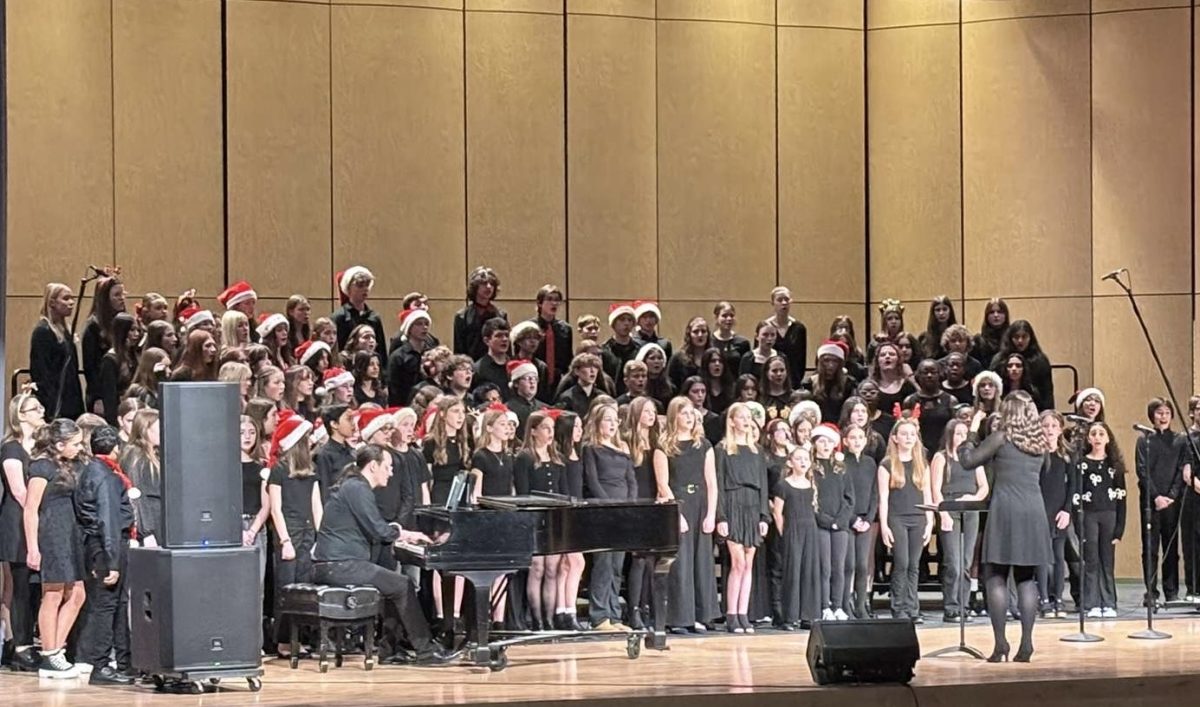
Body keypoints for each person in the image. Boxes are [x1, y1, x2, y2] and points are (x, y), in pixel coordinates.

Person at [311, 444, 457, 665]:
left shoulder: (355, 487)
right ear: (372, 466)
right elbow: (379, 530)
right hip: (339, 565)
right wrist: (405, 534)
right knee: (403, 584)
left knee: (394, 586)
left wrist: (404, 533)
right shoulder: (358, 488)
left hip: (341, 563)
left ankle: (389, 649)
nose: (391, 472)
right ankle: (426, 651)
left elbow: (377, 528)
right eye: (387, 467)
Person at [957, 391, 1052, 662]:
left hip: (1006, 509)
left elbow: (968, 461)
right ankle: (1026, 644)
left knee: (995, 576)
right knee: (1025, 577)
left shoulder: (1001, 438)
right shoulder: (1040, 443)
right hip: (1033, 511)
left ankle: (1000, 646)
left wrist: (973, 432)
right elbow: (1043, 474)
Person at [24, 419, 88, 678]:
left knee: (77, 594)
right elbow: (30, 509)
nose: (79, 447)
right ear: (59, 444)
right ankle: (49, 656)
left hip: (69, 533)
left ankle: (55, 650)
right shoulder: (41, 466)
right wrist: (32, 548)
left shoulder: (68, 464)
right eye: (75, 443)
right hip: (51, 534)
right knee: (53, 593)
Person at [73, 425, 136, 685]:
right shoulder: (106, 477)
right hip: (106, 547)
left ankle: (124, 662)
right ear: (115, 449)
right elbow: (107, 519)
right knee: (106, 605)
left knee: (117, 604)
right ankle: (100, 665)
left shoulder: (92, 470)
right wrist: (111, 562)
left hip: (100, 544)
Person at [653, 398, 718, 634]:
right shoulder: (664, 447)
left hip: (701, 504)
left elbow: (711, 483)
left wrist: (711, 514)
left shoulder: (705, 445)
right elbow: (663, 484)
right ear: (674, 417)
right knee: (681, 563)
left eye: (692, 413)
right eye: (684, 414)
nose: (689, 418)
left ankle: (702, 615)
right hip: (678, 506)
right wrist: (675, 513)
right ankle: (680, 618)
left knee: (702, 562)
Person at [267, 411, 323, 657]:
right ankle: (283, 641)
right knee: (286, 589)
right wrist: (285, 540)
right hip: (288, 533)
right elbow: (276, 509)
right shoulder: (278, 470)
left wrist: (320, 539)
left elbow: (316, 506)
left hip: (307, 532)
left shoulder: (311, 471)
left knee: (304, 588)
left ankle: (298, 639)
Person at [0, 390, 45, 671]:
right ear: (21, 415)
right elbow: (18, 490)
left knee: (34, 586)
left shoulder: (39, 447)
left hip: (37, 519)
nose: (41, 411)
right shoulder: (11, 448)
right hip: (18, 521)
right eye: (35, 408)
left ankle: (26, 641)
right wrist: (38, 509)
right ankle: (20, 645)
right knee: (19, 588)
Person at [582, 402, 636, 631]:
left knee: (617, 565)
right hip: (603, 510)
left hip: (624, 511)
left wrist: (631, 506)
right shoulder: (591, 448)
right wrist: (609, 505)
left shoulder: (623, 447)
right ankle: (599, 615)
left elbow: (630, 480)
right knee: (603, 563)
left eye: (615, 420)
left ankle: (614, 615)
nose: (613, 424)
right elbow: (593, 482)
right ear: (597, 422)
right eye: (608, 420)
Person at [716, 402, 770, 633]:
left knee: (748, 563)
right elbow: (717, 483)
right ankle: (731, 614)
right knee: (737, 563)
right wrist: (721, 516)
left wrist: (763, 517)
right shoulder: (723, 449)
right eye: (742, 417)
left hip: (752, 505)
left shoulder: (757, 451)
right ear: (732, 421)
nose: (747, 421)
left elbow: (764, 487)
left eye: (749, 417)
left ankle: (743, 613)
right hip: (733, 504)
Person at [930, 419, 989, 623]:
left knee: (966, 560)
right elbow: (935, 489)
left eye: (965, 434)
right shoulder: (941, 457)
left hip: (970, 510)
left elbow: (983, 487)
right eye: (958, 433)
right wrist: (943, 514)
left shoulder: (973, 458)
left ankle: (964, 605)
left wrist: (973, 498)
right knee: (953, 562)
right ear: (950, 436)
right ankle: (951, 606)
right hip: (950, 508)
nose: (962, 437)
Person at [877, 416, 932, 624]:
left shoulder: (921, 463)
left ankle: (912, 607)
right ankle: (898, 607)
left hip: (918, 518)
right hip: (897, 518)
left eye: (912, 434)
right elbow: (883, 498)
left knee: (914, 565)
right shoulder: (887, 464)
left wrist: (929, 522)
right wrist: (884, 526)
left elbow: (927, 495)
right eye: (904, 434)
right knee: (901, 562)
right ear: (895, 438)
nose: (909, 438)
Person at [1134, 398, 1187, 607]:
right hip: (1150, 501)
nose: (1163, 416)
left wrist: (1171, 496)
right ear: (1151, 416)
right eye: (1158, 412)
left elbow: (1181, 470)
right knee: (1150, 547)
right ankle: (1151, 591)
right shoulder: (1144, 440)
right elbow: (1142, 471)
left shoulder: (1180, 440)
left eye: (1166, 412)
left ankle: (1171, 591)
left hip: (1172, 501)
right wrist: (1156, 497)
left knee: (1171, 547)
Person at [515, 410, 565, 629]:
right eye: (545, 428)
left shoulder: (556, 458)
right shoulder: (525, 457)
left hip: (553, 519)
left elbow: (562, 491)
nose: (550, 432)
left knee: (552, 569)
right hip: (533, 518)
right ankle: (536, 619)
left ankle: (550, 618)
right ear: (533, 431)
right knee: (537, 569)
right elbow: (523, 493)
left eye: (552, 428)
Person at [1077, 421, 1127, 619]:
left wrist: (1120, 529)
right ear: (1088, 438)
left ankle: (1109, 602)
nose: (1097, 437)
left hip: (1110, 515)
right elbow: (1077, 495)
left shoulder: (1114, 466)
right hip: (1089, 515)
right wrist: (1078, 522)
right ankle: (1092, 603)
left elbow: (1122, 497)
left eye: (1101, 434)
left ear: (1108, 438)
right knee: (1091, 560)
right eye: (1094, 433)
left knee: (1107, 560)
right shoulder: (1082, 464)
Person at [773, 443, 821, 630]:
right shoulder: (784, 485)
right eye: (798, 459)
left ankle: (807, 615)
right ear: (790, 462)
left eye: (805, 459)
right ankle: (789, 616)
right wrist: (784, 533)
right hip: (792, 530)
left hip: (810, 530)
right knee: (792, 573)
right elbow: (778, 512)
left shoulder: (811, 484)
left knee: (809, 572)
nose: (803, 462)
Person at [623, 396, 659, 630]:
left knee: (651, 560)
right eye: (646, 411)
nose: (651, 415)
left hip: (654, 502)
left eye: (653, 411)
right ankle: (633, 609)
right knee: (638, 560)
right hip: (636, 503)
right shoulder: (627, 440)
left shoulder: (656, 440)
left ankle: (647, 607)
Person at [812, 424, 854, 621]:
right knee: (824, 567)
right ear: (814, 444)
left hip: (840, 524)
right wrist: (828, 521)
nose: (826, 445)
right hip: (821, 524)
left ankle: (838, 605)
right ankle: (823, 605)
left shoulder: (841, 468)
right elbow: (812, 500)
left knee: (839, 566)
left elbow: (849, 498)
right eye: (821, 441)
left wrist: (840, 520)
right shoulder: (812, 468)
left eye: (829, 441)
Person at [1038, 411, 1074, 618]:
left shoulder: (1067, 456)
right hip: (1040, 511)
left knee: (1058, 557)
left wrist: (1067, 510)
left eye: (1053, 426)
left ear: (1060, 429)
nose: (1050, 430)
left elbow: (1073, 486)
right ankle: (1043, 600)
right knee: (1042, 557)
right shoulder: (1036, 455)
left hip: (1060, 512)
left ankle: (1058, 599)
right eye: (1045, 425)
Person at [30, 283, 84, 420]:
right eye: (66, 298)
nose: (71, 302)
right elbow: (41, 372)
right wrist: (49, 404)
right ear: (52, 302)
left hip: (72, 400)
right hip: (55, 403)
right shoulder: (43, 331)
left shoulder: (66, 331)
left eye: (72, 298)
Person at [553, 411, 586, 630]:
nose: (579, 431)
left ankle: (563, 610)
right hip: (564, 513)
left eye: (581, 427)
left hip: (577, 513)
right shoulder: (560, 457)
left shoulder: (578, 454)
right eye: (575, 427)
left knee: (567, 565)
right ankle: (568, 612)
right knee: (576, 562)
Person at [841, 423, 878, 618]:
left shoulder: (870, 463)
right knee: (849, 565)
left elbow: (874, 492)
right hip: (848, 520)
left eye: (860, 438)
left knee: (863, 565)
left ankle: (861, 604)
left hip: (866, 521)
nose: (857, 441)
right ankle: (845, 604)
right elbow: (841, 494)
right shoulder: (841, 463)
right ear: (845, 441)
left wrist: (869, 518)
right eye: (852, 438)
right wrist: (853, 518)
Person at [81, 276, 127, 410]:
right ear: (105, 298)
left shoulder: (121, 322)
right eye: (117, 295)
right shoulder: (93, 326)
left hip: (119, 390)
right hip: (102, 394)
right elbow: (90, 367)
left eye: (123, 294)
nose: (122, 298)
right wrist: (97, 398)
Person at [120, 410, 162, 547]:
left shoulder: (155, 454)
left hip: (159, 519)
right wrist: (146, 531)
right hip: (150, 522)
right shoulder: (135, 456)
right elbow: (135, 493)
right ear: (146, 430)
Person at [332, 266, 388, 358]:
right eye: (360, 285)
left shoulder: (373, 317)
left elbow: (381, 350)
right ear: (348, 288)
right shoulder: (339, 317)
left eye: (367, 285)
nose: (365, 289)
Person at [454, 266, 506, 360]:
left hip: (495, 364)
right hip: (471, 366)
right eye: (484, 283)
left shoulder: (501, 315)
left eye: (492, 284)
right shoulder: (462, 316)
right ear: (475, 287)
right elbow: (459, 350)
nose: (489, 287)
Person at [388, 309, 434, 405]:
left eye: (426, 324)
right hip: (406, 404)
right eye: (419, 324)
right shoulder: (398, 356)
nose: (424, 327)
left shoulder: (432, 353)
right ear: (409, 328)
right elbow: (394, 390)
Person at [531, 285, 571, 389]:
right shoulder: (531, 327)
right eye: (549, 299)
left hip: (559, 382)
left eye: (557, 300)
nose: (554, 303)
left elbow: (568, 357)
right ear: (540, 303)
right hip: (535, 379)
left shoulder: (565, 328)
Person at [313, 403, 355, 502]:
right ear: (334, 424)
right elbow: (325, 490)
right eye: (349, 419)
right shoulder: (323, 455)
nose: (353, 424)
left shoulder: (352, 452)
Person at [768, 287, 807, 387]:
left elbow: (801, 360)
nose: (784, 303)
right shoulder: (765, 327)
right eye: (780, 300)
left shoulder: (799, 328)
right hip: (769, 383)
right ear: (772, 303)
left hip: (793, 382)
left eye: (787, 299)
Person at [667, 317, 710, 391]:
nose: (700, 335)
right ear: (689, 334)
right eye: (695, 331)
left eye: (703, 331)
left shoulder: (713, 356)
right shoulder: (678, 358)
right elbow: (671, 384)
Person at [918, 295, 956, 360]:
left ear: (950, 311)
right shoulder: (924, 338)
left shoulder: (957, 335)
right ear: (933, 313)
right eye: (938, 310)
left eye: (945, 309)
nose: (941, 313)